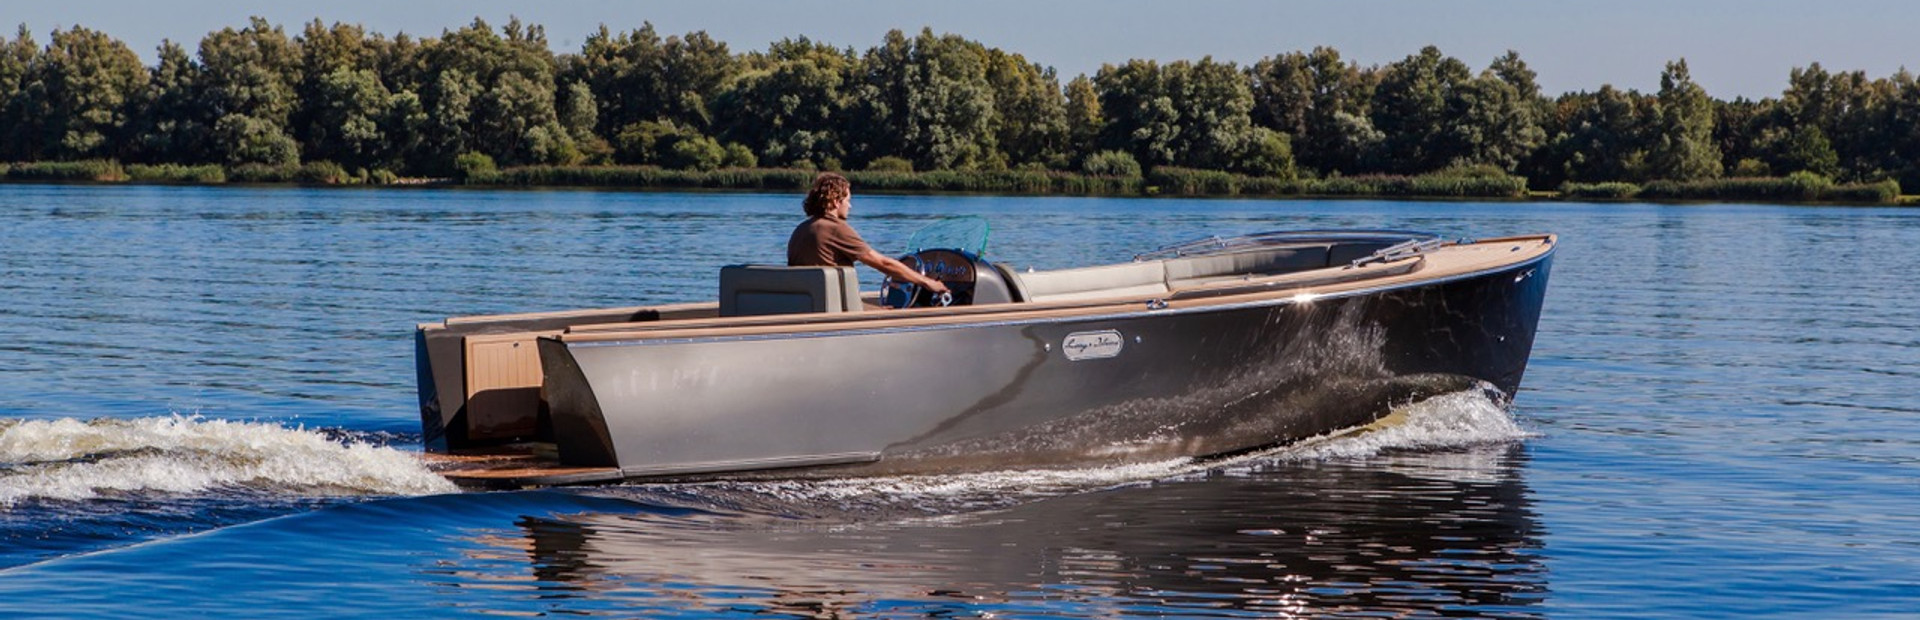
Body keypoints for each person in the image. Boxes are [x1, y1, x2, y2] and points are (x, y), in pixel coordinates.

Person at [788, 172, 950, 297]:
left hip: (807, 305)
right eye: (848, 200)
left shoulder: (801, 229)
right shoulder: (836, 229)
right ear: (836, 201)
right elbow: (883, 264)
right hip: (832, 311)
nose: (850, 206)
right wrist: (927, 282)